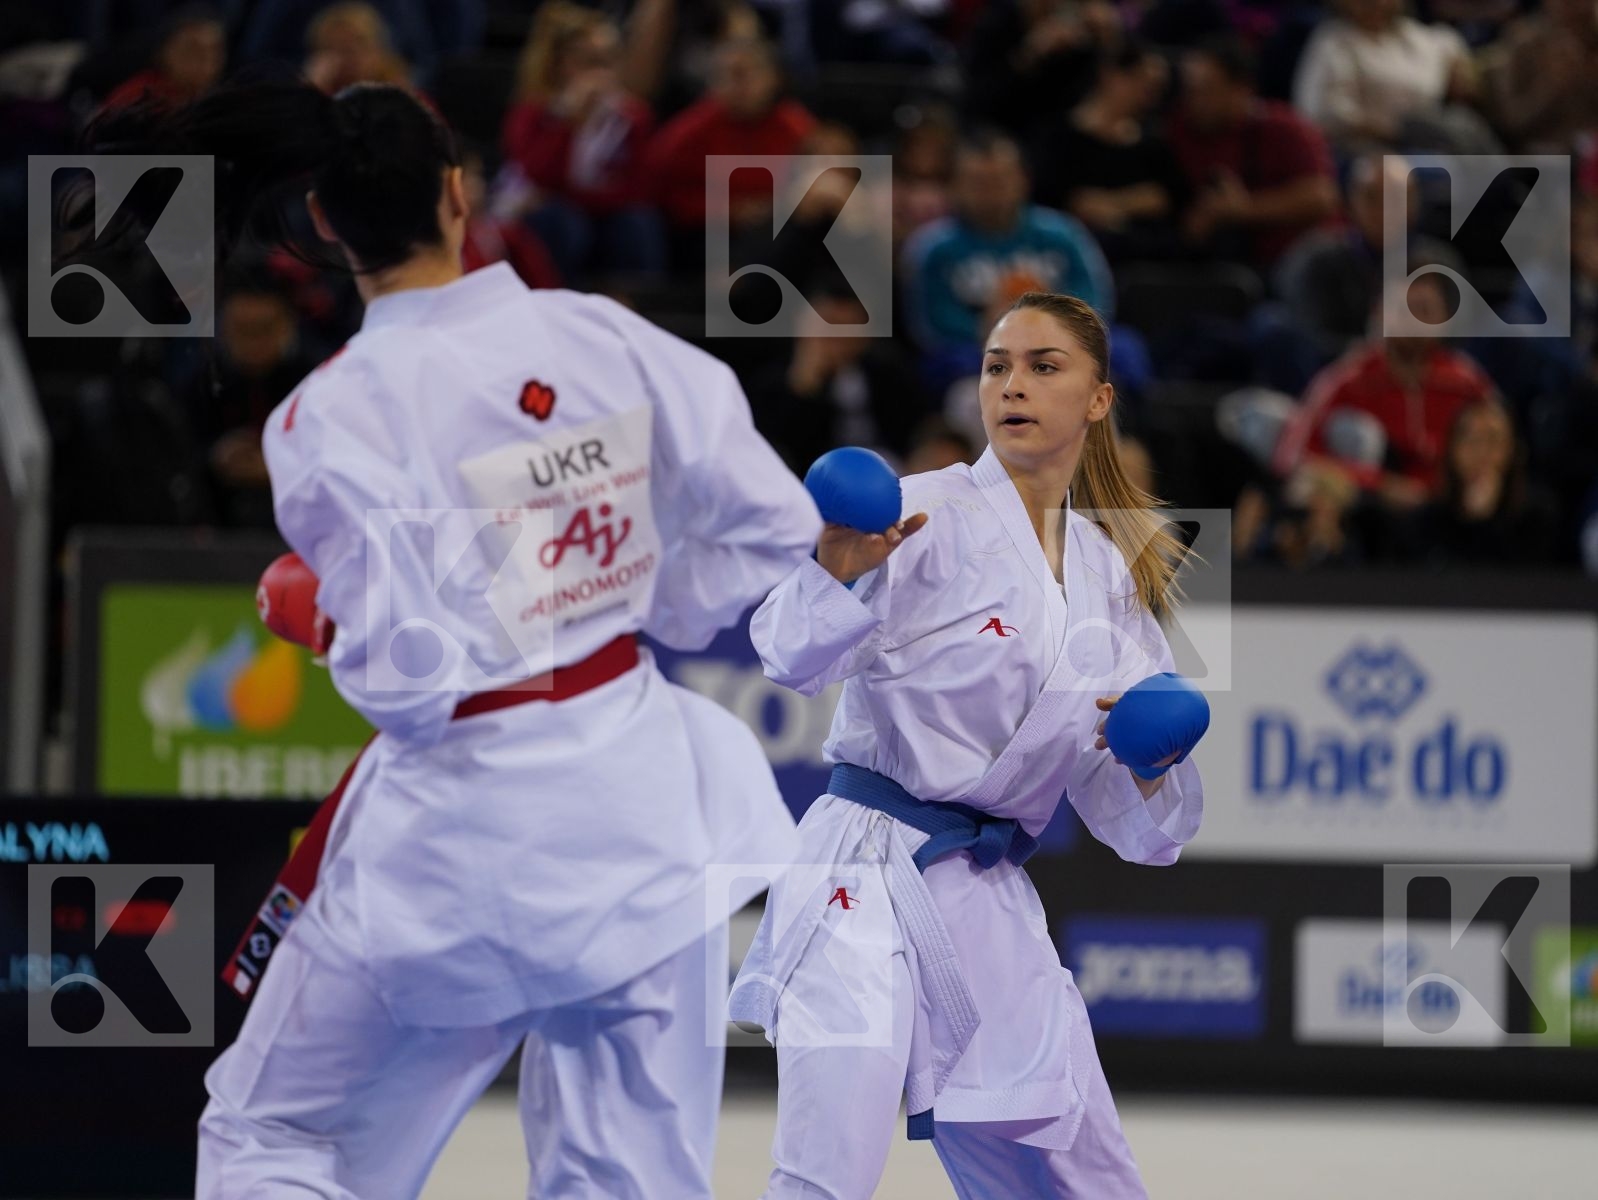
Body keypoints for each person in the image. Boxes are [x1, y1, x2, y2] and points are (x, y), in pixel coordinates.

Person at [85, 78, 822, 1199]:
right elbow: (773, 526)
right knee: (625, 1182)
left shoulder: (328, 415)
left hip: (460, 848)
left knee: (278, 1136)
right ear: (456, 191)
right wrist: (635, 602)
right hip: (638, 811)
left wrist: (322, 618)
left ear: (325, 223)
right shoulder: (602, 336)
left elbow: (410, 686)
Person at [731, 290, 1205, 1199]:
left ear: (1098, 401)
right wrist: (835, 569)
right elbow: (785, 656)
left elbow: (1141, 832)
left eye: (1043, 366)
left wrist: (1153, 764)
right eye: (996, 366)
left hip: (986, 896)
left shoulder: (1109, 580)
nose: (1012, 385)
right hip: (860, 878)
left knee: (1084, 1174)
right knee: (825, 1173)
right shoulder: (917, 513)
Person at [902, 129, 1115, 392]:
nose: (991, 191)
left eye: (1001, 180)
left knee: (1122, 351)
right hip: (974, 354)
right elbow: (931, 323)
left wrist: (1048, 329)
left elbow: (1094, 299)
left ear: (1024, 180)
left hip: (1059, 343)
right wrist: (999, 332)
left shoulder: (1063, 234)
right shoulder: (932, 247)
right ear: (955, 185)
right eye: (979, 182)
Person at [1272, 273, 1501, 506]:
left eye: (1424, 309)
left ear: (1445, 319)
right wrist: (1379, 484)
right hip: (1369, 509)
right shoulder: (1348, 380)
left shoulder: (1467, 384)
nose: (1414, 321)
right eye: (1403, 309)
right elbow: (1293, 455)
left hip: (1452, 509)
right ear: (1379, 314)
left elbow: (1504, 447)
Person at [499, 1, 663, 283]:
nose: (599, 74)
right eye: (588, 62)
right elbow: (539, 176)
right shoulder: (534, 114)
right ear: (560, 64)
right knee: (561, 222)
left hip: (601, 213)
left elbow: (639, 187)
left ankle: (633, 306)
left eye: (607, 61)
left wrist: (581, 197)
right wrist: (569, 123)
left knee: (637, 224)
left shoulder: (631, 117)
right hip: (551, 217)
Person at [1169, 35, 1338, 272]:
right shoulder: (1181, 131)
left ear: (1241, 89)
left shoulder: (1285, 127)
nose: (1194, 101)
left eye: (1206, 90)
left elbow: (1321, 197)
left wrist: (1243, 210)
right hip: (1230, 265)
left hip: (1304, 261)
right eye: (1189, 90)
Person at [1030, 38, 1189, 262]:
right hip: (1074, 252)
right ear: (1110, 74)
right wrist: (1136, 200)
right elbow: (1056, 199)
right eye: (1143, 84)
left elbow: (1168, 198)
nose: (1150, 98)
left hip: (1145, 256)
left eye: (1156, 90)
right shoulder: (1059, 137)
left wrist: (1114, 204)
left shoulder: (1154, 142)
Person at [1292, 0, 1497, 156]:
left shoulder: (1418, 37)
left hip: (1434, 136)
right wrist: (1397, 131)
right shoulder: (1332, 43)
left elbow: (1459, 70)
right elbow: (1324, 117)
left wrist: (1461, 79)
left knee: (1468, 128)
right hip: (1368, 151)